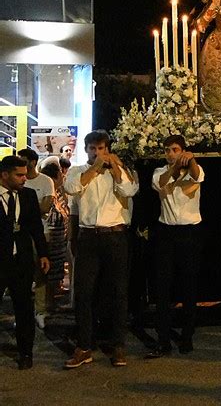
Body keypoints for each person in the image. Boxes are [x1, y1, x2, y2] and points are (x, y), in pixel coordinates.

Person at [63, 130, 138, 369]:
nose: (97, 153)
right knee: (84, 293)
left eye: (101, 149)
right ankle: (84, 346)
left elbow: (129, 190)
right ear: (86, 150)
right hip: (89, 237)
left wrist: (115, 168)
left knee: (118, 292)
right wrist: (94, 168)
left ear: (108, 149)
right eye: (93, 149)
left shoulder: (120, 170)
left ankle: (118, 346)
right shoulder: (77, 171)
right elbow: (72, 189)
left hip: (115, 236)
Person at [148, 135, 205, 357]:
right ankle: (163, 340)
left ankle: (187, 336)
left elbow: (198, 175)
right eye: (167, 150)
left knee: (188, 286)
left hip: (190, 232)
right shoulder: (159, 172)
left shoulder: (194, 169)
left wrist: (190, 160)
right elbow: (162, 183)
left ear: (183, 150)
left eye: (175, 149)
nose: (171, 154)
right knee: (163, 288)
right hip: (167, 233)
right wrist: (174, 167)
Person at [0, 156, 49, 369]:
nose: (24, 179)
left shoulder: (28, 196)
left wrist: (43, 254)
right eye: (19, 175)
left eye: (24, 174)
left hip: (21, 260)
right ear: (4, 175)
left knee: (24, 307)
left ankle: (26, 352)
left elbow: (36, 228)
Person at [17, 148, 55, 329]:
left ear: (33, 162)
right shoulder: (18, 184)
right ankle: (21, 311)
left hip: (41, 231)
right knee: (20, 274)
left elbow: (46, 206)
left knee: (41, 272)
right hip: (20, 235)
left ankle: (40, 311)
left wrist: (25, 211)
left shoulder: (45, 181)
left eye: (24, 161)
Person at [40, 162, 70, 308]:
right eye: (60, 174)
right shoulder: (50, 194)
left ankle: (51, 301)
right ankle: (47, 303)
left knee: (56, 270)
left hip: (59, 238)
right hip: (52, 237)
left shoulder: (58, 192)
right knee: (50, 272)